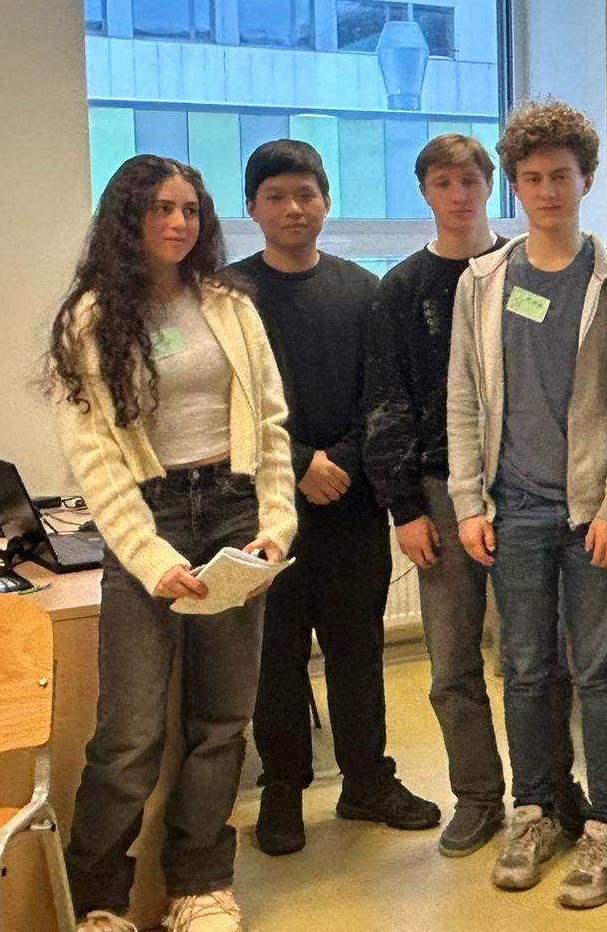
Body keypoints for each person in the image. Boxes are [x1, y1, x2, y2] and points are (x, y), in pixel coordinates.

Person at [47, 154, 297, 932]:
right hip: (149, 521)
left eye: (190, 209)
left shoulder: (229, 304)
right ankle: (98, 901)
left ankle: (199, 886)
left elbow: (269, 422)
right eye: (161, 208)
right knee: (129, 732)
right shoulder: (89, 320)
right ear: (128, 218)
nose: (178, 222)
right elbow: (95, 458)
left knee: (221, 721)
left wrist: (275, 527)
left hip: (233, 509)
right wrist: (150, 559)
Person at [365, 133, 587, 859]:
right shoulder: (402, 289)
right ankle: (478, 795)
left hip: (524, 486)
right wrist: (405, 509)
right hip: (438, 491)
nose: (459, 195)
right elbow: (388, 402)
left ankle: (552, 788)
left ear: (493, 186)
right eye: (443, 183)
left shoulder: (524, 266)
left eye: (470, 181)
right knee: (453, 661)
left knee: (539, 656)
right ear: (424, 192)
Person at [447, 99, 607, 909]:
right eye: (531, 178)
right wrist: (467, 500)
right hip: (513, 507)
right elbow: (464, 395)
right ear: (515, 187)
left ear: (586, 179)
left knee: (599, 673)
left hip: (592, 510)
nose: (548, 190)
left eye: (561, 175)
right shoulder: (484, 281)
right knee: (523, 670)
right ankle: (536, 813)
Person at [229, 139, 439, 858]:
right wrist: (297, 464)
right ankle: (282, 790)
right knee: (276, 658)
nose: (293, 208)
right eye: (276, 196)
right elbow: (226, 405)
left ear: (325, 202)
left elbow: (382, 393)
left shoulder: (362, 291)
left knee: (357, 652)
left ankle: (367, 781)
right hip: (264, 511)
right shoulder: (229, 297)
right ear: (252, 207)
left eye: (306, 194)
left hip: (351, 504)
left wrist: (340, 462)